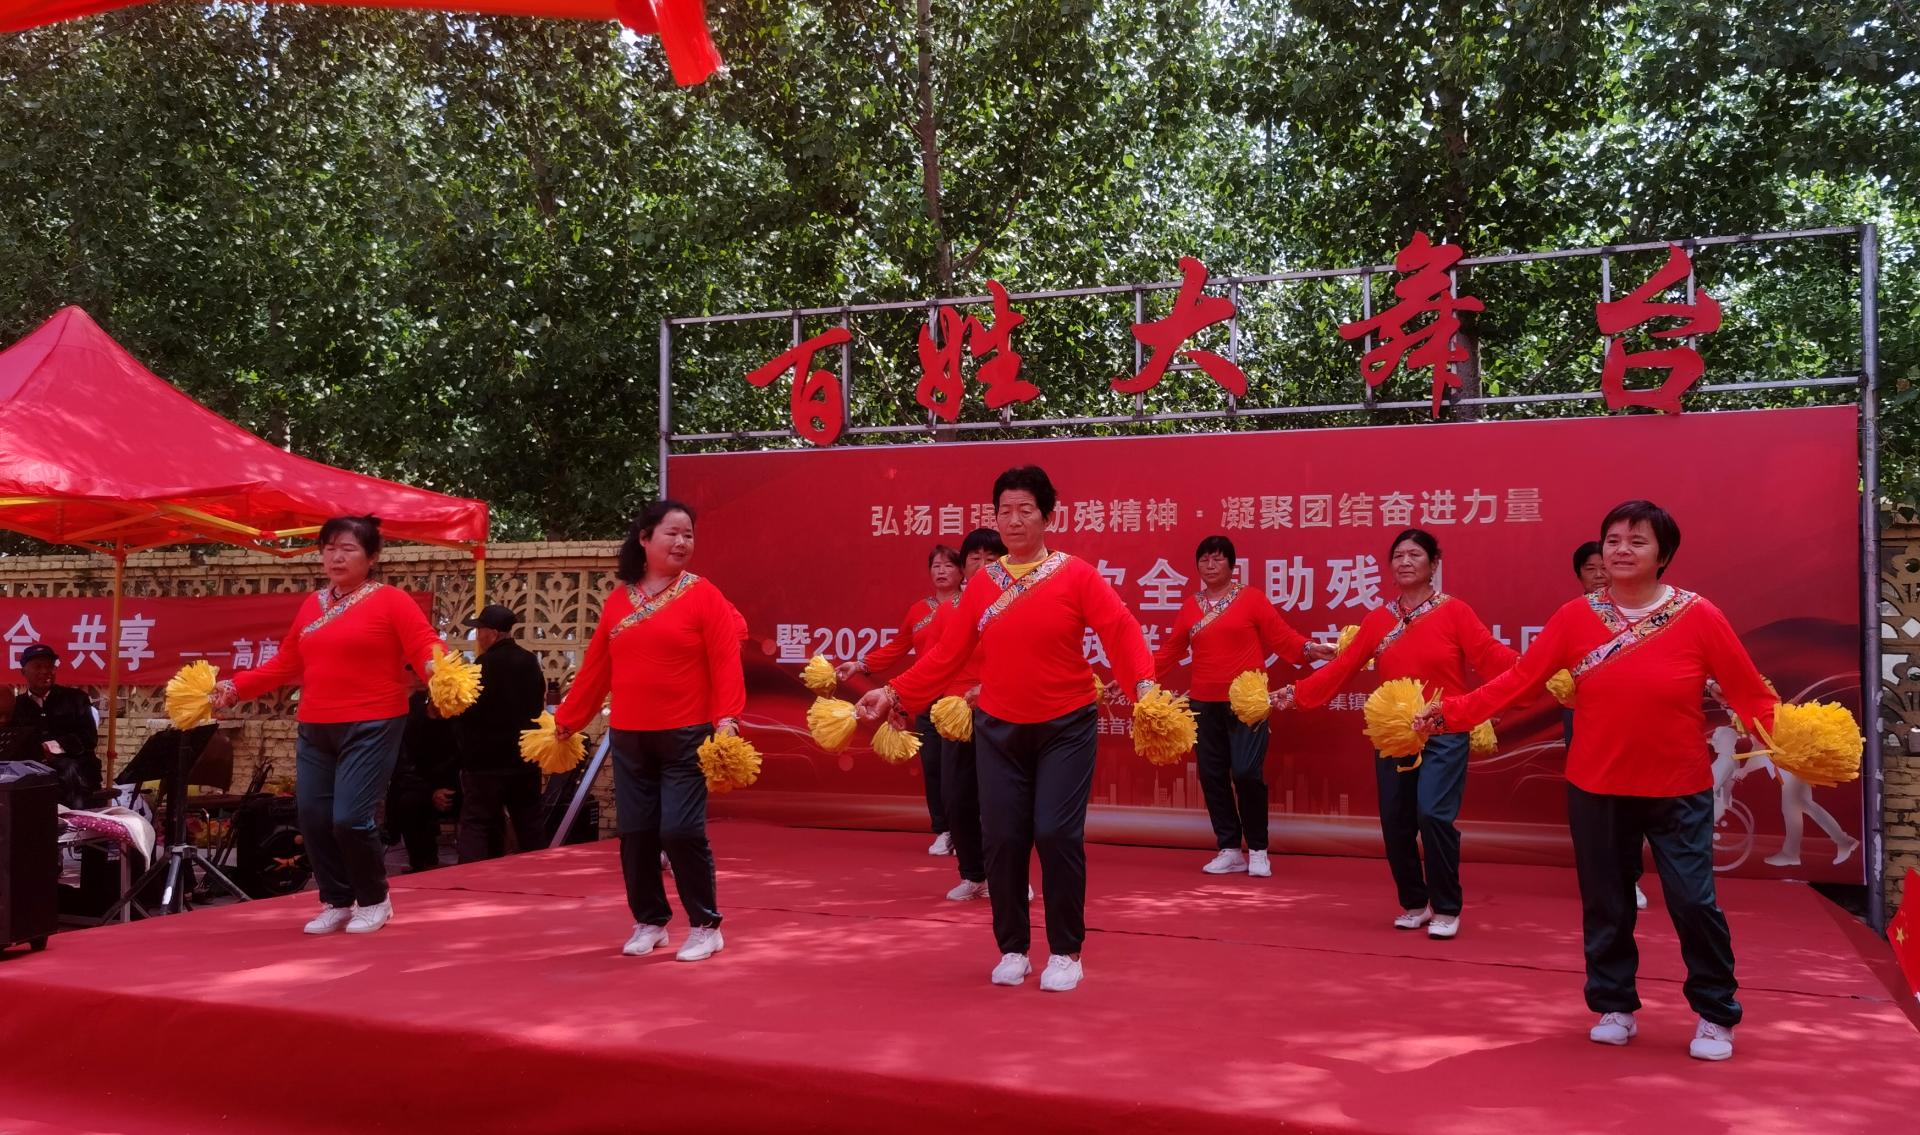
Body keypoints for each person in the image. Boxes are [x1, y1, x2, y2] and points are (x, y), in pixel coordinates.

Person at [1415, 500, 1774, 1061]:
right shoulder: (1574, 616)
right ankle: (1614, 1004)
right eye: (1613, 541)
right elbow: (1521, 681)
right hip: (1597, 784)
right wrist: (1452, 713)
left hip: (1678, 786)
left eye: (1637, 541)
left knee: (1693, 902)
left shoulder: (1700, 615)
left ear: (1664, 554)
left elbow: (1750, 694)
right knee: (1607, 902)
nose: (1621, 550)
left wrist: (1796, 741)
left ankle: (1714, 1012)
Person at [856, 466, 1153, 993]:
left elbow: (1121, 630)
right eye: (1005, 511)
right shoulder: (982, 586)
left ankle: (1065, 951)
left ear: (1047, 516)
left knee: (1055, 833)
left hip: (1066, 725)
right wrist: (894, 693)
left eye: (1025, 510)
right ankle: (1013, 948)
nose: (1014, 521)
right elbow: (947, 655)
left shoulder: (1077, 575)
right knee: (1003, 838)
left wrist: (1145, 690)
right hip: (998, 727)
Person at [1274, 528, 1517, 940]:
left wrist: (1541, 673)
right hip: (1394, 734)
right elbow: (1343, 668)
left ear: (1434, 564)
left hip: (1443, 728)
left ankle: (1447, 906)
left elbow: (1492, 657)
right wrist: (1295, 694)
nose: (1405, 562)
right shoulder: (1378, 620)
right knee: (1396, 820)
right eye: (1398, 556)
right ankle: (1415, 903)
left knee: (1433, 814)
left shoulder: (1455, 612)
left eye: (1415, 555)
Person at [213, 515, 447, 935]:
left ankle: (374, 900)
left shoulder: (392, 600)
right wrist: (235, 688)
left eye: (348, 549)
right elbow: (286, 662)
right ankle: (337, 900)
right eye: (329, 548)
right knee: (313, 817)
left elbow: (425, 645)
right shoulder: (313, 604)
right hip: (315, 724)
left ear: (372, 557)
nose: (336, 557)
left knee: (350, 818)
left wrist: (440, 672)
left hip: (373, 722)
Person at [554, 500, 746, 963]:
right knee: (636, 833)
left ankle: (705, 926)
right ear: (644, 538)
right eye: (672, 533)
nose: (682, 543)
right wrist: (567, 721)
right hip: (629, 736)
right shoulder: (619, 601)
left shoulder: (704, 594)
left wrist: (727, 719)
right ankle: (650, 921)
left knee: (680, 830)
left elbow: (725, 660)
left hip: (687, 735)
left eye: (688, 535)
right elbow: (596, 668)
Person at [1152, 535, 1332, 877]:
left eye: (1218, 559)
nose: (1210, 565)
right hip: (1203, 702)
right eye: (1204, 560)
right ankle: (1230, 849)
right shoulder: (1190, 606)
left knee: (1247, 773)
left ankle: (1259, 850)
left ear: (1232, 565)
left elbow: (1282, 637)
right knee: (1211, 775)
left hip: (1246, 703)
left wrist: (1310, 650)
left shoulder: (1251, 599)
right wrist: (1134, 675)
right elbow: (1170, 651)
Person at [837, 544, 965, 855]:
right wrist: (861, 665)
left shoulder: (971, 605)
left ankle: (970, 833)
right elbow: (897, 647)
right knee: (933, 766)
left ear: (962, 570)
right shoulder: (919, 610)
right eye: (935, 566)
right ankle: (944, 830)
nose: (941, 571)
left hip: (962, 699)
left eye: (948, 565)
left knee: (961, 770)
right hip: (927, 697)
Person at [923, 526, 1006, 900]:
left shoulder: (1014, 606)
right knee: (957, 797)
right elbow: (932, 665)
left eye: (992, 558)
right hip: (956, 717)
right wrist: (899, 702)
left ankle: (1009, 877)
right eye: (976, 558)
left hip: (1001, 711)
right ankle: (973, 874)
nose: (983, 565)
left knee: (1001, 801)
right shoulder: (948, 612)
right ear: (964, 566)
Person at [1570, 541, 1648, 911]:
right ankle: (1597, 877)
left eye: (1604, 566)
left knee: (1631, 798)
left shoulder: (1642, 614)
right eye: (1591, 568)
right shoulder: (1573, 617)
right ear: (1579, 576)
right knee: (1591, 801)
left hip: (1633, 721)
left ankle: (1629, 877)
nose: (1600, 574)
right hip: (1583, 716)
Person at [455, 604, 549, 863]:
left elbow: (469, 711)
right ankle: (541, 872)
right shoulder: (529, 661)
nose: (478, 637)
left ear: (494, 633)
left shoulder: (484, 664)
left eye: (480, 630)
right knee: (530, 823)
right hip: (524, 758)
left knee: (477, 823)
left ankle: (469, 877)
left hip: (486, 762)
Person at [11, 642, 101, 808]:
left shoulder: (76, 699)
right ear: (23, 672)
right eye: (38, 666)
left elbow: (89, 738)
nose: (45, 671)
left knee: (69, 769)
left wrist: (52, 747)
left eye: (50, 666)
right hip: (33, 779)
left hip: (77, 779)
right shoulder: (16, 706)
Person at [385, 682, 459, 873]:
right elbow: (405, 767)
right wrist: (431, 792)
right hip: (418, 785)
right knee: (409, 802)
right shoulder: (413, 721)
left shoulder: (458, 722)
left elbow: (461, 760)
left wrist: (443, 789)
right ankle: (420, 863)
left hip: (453, 784)